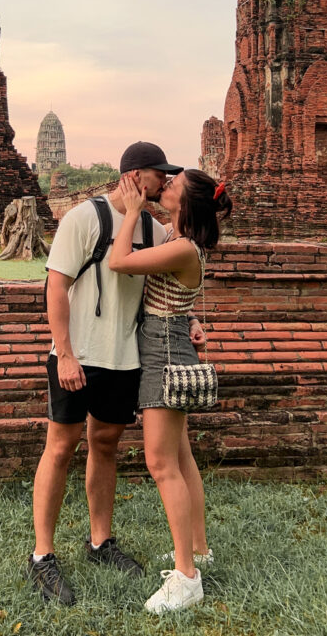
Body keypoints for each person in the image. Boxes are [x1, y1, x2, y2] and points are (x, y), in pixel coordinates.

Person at [27, 141, 196, 606]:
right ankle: (42, 555)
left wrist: (193, 321)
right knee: (60, 446)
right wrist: (64, 353)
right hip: (77, 354)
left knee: (105, 444)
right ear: (136, 176)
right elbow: (56, 288)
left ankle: (100, 541)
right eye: (159, 175)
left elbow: (171, 282)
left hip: (124, 358)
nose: (163, 183)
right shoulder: (84, 218)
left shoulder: (154, 231)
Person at [109, 168, 232, 615]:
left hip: (163, 353)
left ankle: (186, 577)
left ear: (187, 202)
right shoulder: (178, 241)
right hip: (171, 343)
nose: (166, 187)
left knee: (161, 464)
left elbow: (119, 262)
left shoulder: (181, 246)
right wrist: (195, 322)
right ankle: (197, 550)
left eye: (173, 184)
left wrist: (133, 212)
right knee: (180, 459)